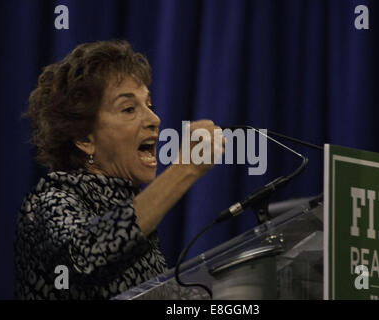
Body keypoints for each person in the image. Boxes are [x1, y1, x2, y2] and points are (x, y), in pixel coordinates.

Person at [14, 40, 224, 300]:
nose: (154, 119)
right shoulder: (49, 202)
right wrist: (184, 169)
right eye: (129, 109)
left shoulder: (128, 210)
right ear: (84, 138)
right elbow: (84, 260)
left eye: (149, 105)